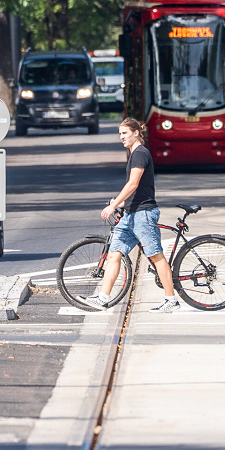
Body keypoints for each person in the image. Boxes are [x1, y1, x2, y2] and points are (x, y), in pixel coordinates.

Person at [85, 118, 180, 313]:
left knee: (156, 257)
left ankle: (171, 299)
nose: (121, 137)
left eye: (125, 133)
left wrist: (113, 206)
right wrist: (119, 202)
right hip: (130, 215)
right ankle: (103, 298)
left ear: (136, 133)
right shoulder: (133, 154)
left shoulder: (140, 154)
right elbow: (134, 190)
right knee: (114, 253)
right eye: (120, 134)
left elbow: (133, 184)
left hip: (143, 214)